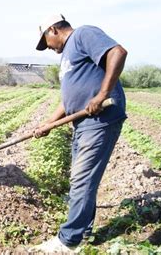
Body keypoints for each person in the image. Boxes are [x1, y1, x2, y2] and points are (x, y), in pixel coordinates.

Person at [32, 14, 127, 253]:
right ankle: (83, 232)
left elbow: (118, 52)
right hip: (83, 123)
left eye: (46, 42)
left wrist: (102, 94)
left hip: (100, 119)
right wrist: (49, 123)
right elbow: (69, 99)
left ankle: (68, 241)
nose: (48, 49)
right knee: (81, 178)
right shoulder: (68, 56)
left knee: (82, 179)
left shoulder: (83, 34)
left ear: (53, 29)